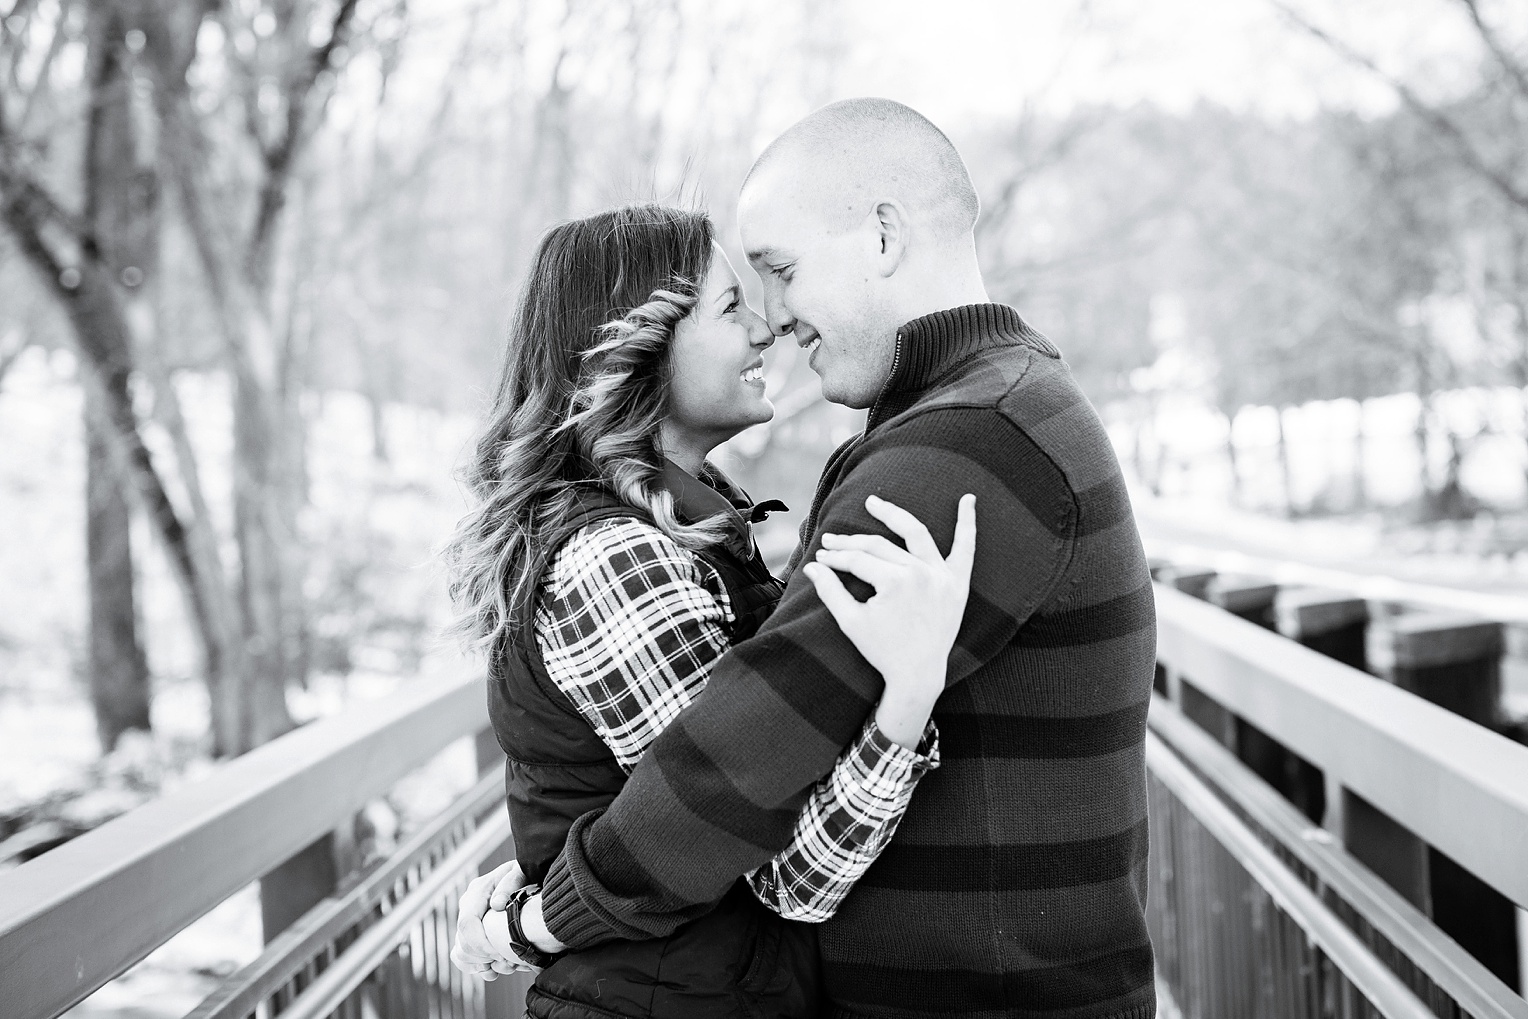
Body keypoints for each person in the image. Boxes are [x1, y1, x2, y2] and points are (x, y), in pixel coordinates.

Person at [459, 98, 1160, 1019]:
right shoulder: (982, 414)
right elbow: (718, 782)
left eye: (781, 273)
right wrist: (568, 858)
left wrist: (537, 918)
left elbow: (729, 768)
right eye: (743, 295)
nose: (775, 320)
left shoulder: (960, 447)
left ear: (881, 236)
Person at [442, 203, 978, 1018]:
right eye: (733, 308)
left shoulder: (686, 519)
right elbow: (786, 875)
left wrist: (541, 901)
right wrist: (909, 697)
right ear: (639, 348)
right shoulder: (617, 562)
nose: (767, 331)